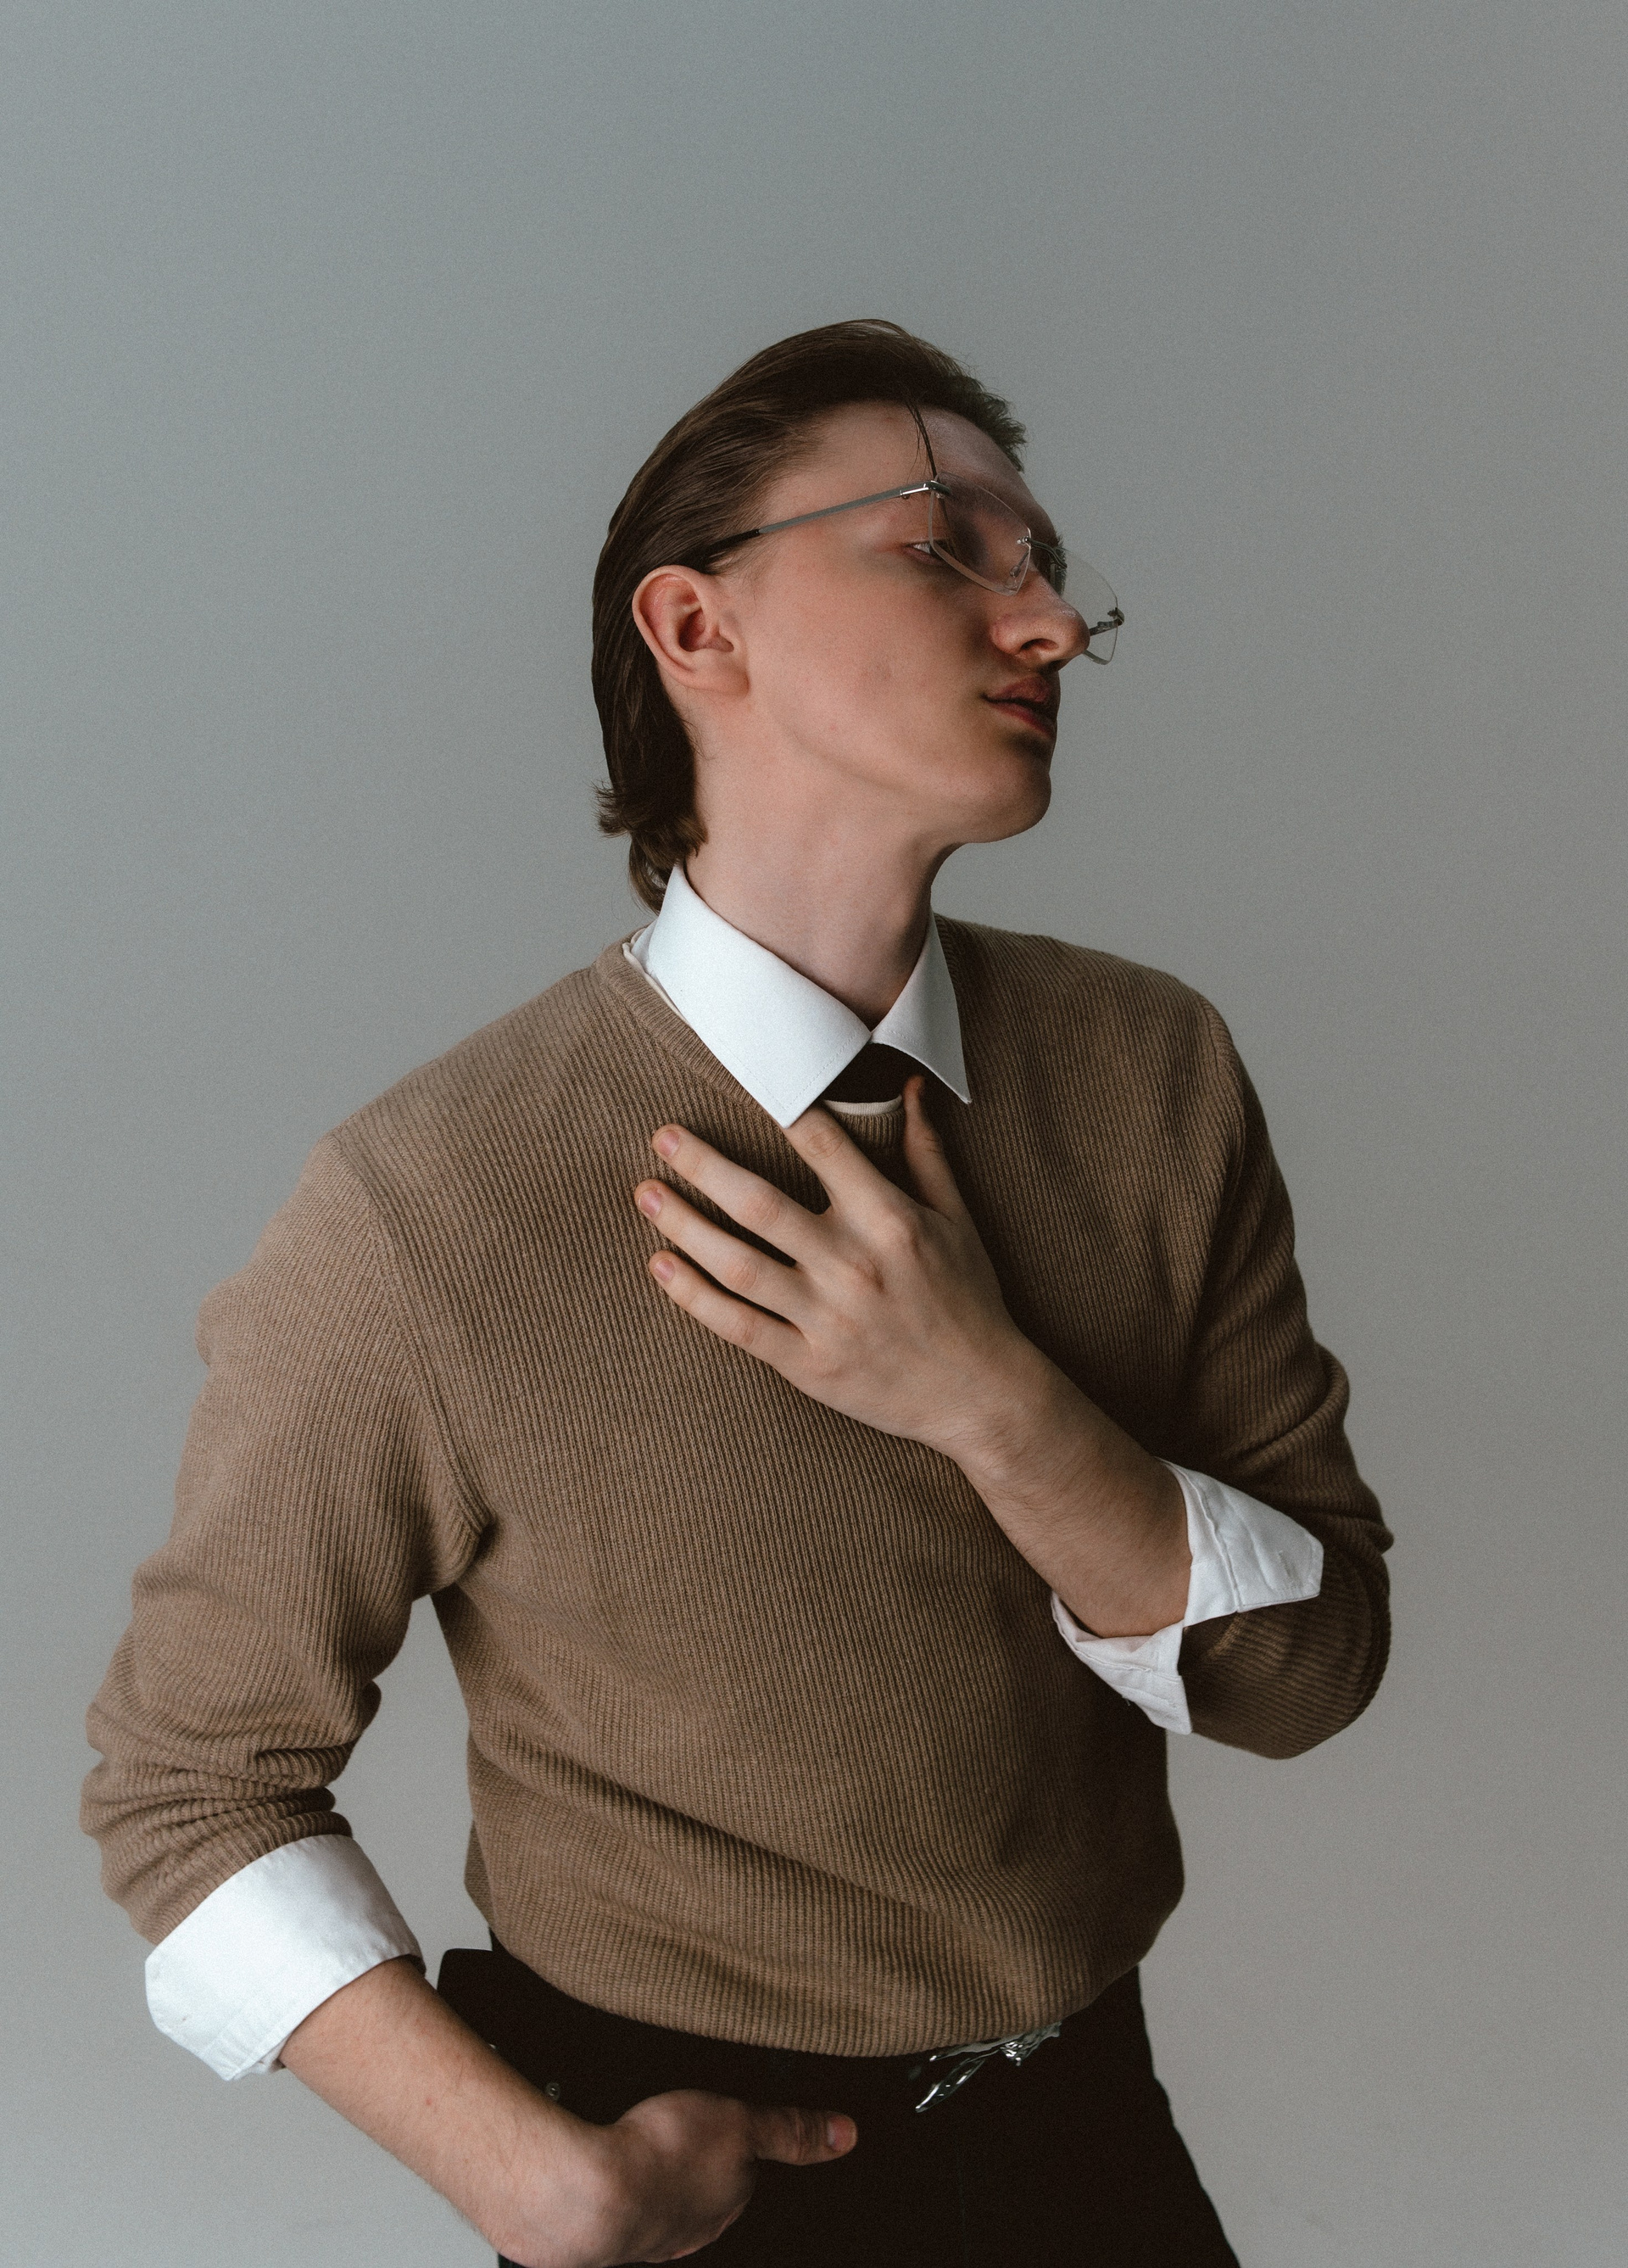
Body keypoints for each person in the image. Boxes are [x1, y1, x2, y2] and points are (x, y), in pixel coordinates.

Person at [83, 320, 1391, 2266]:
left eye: (1048, 570)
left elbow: (1312, 1668)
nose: (1048, 622)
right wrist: (527, 2173)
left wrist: (993, 1401)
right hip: (699, 2184)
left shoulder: (1153, 1071)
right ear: (697, 626)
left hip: (1091, 2131)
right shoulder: (429, 1202)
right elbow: (190, 1783)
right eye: (945, 544)